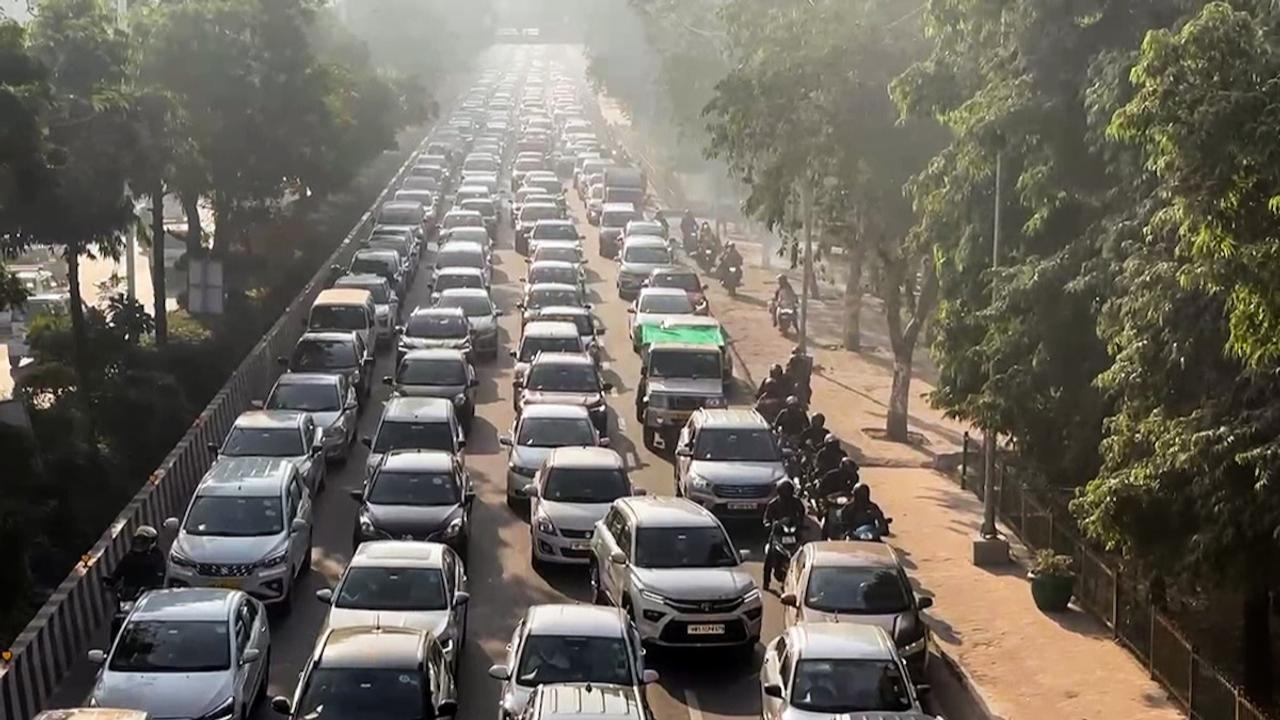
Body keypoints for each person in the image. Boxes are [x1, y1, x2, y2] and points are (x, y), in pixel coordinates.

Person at [762, 479, 807, 592]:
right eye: (784, 492)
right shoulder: (773, 504)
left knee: (804, 551)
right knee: (769, 556)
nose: (786, 494)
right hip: (778, 532)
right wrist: (769, 524)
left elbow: (801, 513)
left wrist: (800, 522)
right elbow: (766, 519)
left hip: (793, 532)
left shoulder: (796, 502)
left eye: (788, 492)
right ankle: (766, 581)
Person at [110, 526, 165, 594]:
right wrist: (112, 580)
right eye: (138, 540)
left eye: (144, 540)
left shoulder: (156, 555)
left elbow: (160, 572)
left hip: (150, 593)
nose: (139, 543)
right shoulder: (129, 556)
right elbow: (119, 571)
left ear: (152, 541)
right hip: (129, 594)